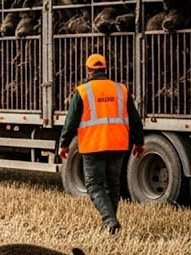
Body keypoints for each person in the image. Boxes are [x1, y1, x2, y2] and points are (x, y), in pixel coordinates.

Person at [58, 53, 144, 234]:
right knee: (112, 186)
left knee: (94, 185)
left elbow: (71, 121)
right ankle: (111, 224)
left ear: (88, 70)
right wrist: (139, 142)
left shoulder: (83, 91)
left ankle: (109, 220)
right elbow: (135, 119)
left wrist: (64, 144)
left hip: (94, 145)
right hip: (118, 145)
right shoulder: (121, 90)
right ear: (105, 69)